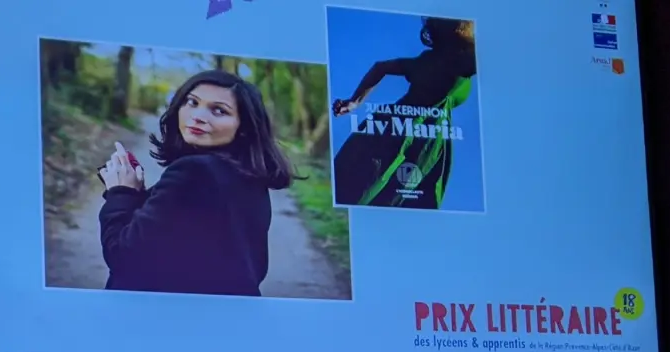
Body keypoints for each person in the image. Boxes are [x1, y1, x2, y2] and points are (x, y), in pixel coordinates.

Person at [97, 69, 295, 297]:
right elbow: (187, 244)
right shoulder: (248, 178)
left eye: (219, 111)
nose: (198, 116)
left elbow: (123, 256)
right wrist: (139, 197)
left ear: (243, 127)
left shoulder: (193, 172)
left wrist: (120, 192)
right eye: (192, 102)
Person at [331, 17, 477, 208]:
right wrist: (354, 102)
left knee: (402, 198)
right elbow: (381, 67)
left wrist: (354, 102)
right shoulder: (445, 61)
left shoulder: (455, 60)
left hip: (424, 141)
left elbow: (380, 67)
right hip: (396, 132)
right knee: (362, 187)